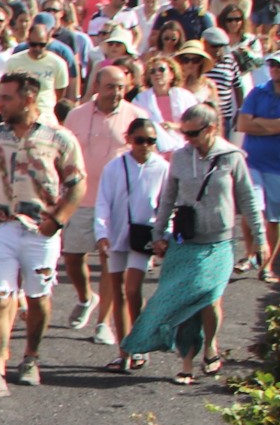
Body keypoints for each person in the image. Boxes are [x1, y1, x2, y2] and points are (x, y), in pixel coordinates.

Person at [0, 73, 85, 399]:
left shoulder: (60, 138)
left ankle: (31, 357)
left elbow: (77, 184)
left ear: (28, 99)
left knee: (38, 299)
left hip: (40, 232)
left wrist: (58, 220)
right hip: (0, 228)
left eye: (6, 98)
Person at [124, 104, 258, 384]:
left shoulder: (232, 157)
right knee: (187, 299)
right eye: (184, 134)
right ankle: (186, 361)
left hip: (219, 243)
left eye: (194, 133)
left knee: (208, 299)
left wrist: (260, 240)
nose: (188, 139)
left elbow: (247, 199)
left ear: (211, 129)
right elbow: (167, 198)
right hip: (186, 241)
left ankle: (210, 344)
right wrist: (158, 234)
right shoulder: (180, 158)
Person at [60, 62, 147, 343]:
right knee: (72, 258)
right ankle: (87, 297)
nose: (116, 92)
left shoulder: (137, 117)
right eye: (110, 86)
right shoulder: (75, 116)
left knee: (112, 264)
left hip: (118, 206)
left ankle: (104, 323)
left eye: (121, 87)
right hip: (80, 199)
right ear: (96, 87)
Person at [93, 116, 168, 371]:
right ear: (128, 139)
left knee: (133, 290)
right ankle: (124, 350)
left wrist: (163, 235)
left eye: (151, 141)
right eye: (139, 140)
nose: (145, 145)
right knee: (118, 291)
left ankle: (140, 343)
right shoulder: (114, 167)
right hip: (116, 235)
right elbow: (102, 202)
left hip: (143, 237)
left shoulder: (162, 167)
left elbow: (167, 204)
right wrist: (101, 233)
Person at [238, 50, 280, 282]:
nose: (274, 69)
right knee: (251, 207)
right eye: (272, 64)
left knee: (274, 219)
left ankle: (267, 265)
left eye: (278, 66)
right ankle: (249, 253)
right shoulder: (258, 91)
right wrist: (273, 126)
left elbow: (252, 122)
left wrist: (259, 123)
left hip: (277, 167)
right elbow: (243, 122)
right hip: (253, 161)